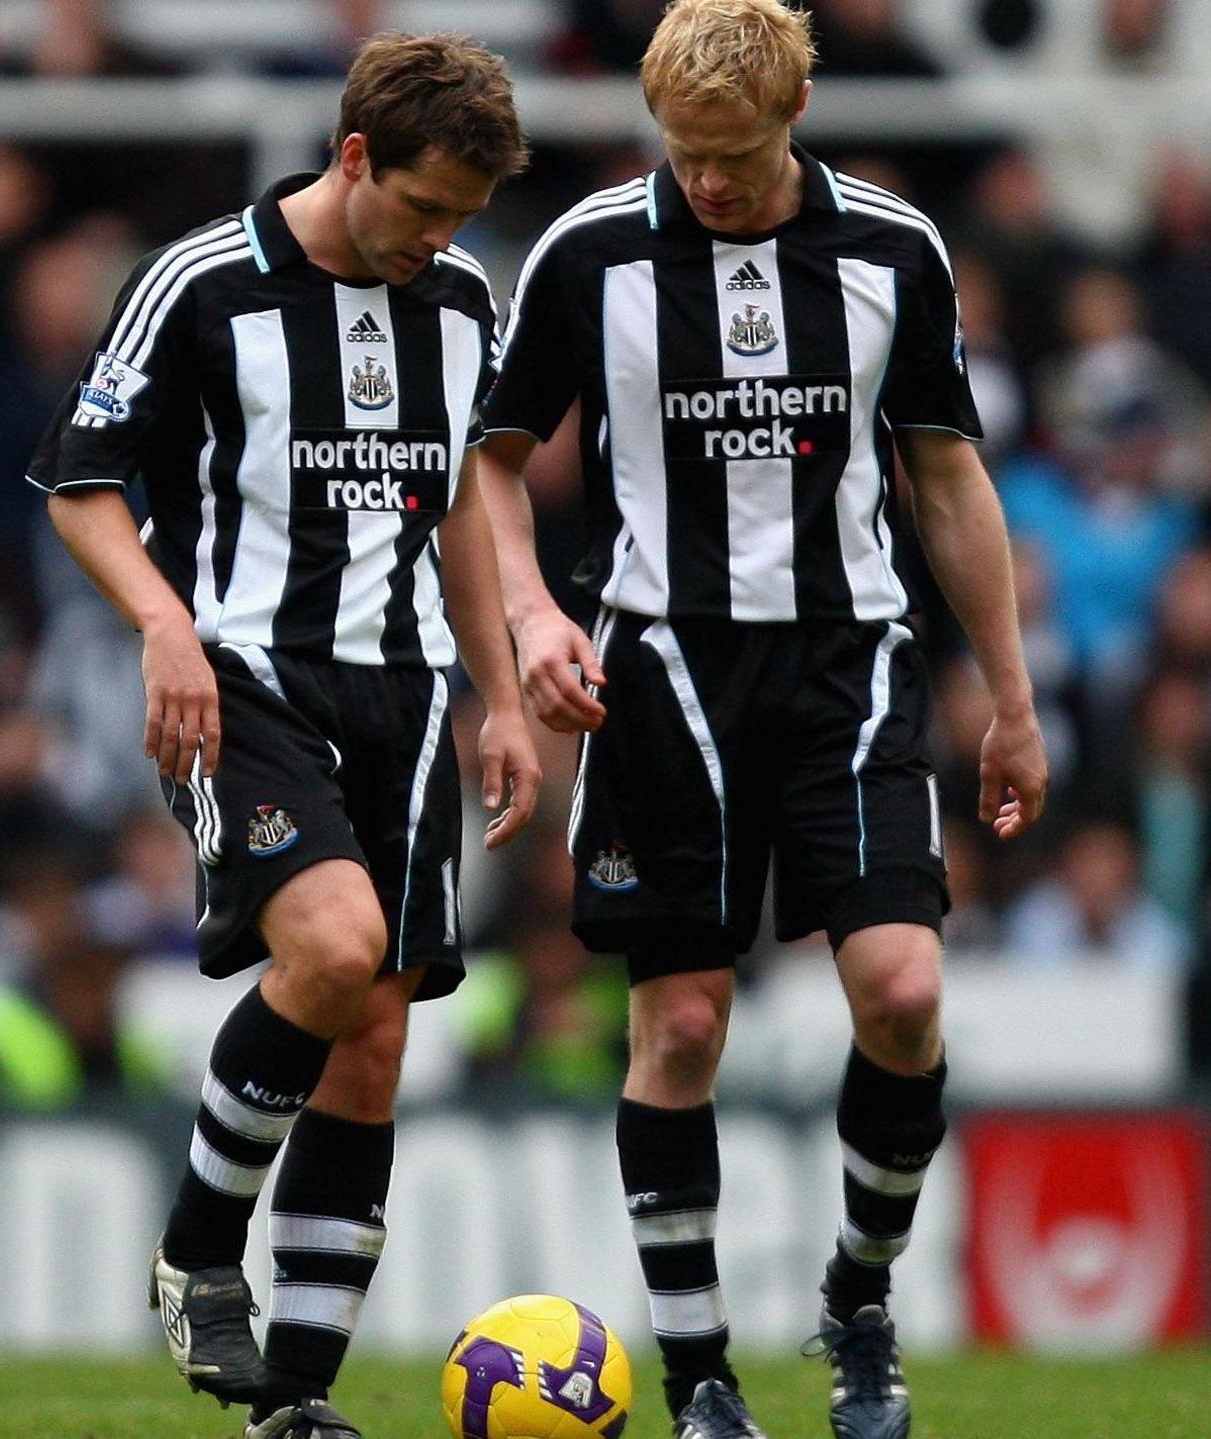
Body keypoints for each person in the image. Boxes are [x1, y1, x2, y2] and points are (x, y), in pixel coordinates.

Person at [473, 3, 1050, 1437]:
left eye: (733, 152)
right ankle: (700, 1376)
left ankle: (859, 1300)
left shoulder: (890, 251)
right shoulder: (590, 250)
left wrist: (1015, 696)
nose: (708, 180)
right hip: (659, 672)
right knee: (679, 1026)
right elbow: (489, 466)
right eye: (685, 150)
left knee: (905, 997)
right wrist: (539, 618)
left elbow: (948, 476)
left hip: (849, 666)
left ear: (794, 111)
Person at [30, 33, 538, 1439]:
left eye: (462, 221)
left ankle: (292, 1407)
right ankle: (198, 1246)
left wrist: (496, 692)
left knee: (371, 1042)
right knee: (333, 950)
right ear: (356, 155)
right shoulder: (202, 281)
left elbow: (461, 513)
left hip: (413, 691)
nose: (438, 240)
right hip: (245, 676)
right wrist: (162, 624)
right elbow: (78, 484)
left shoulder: (463, 298)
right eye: (424, 208)